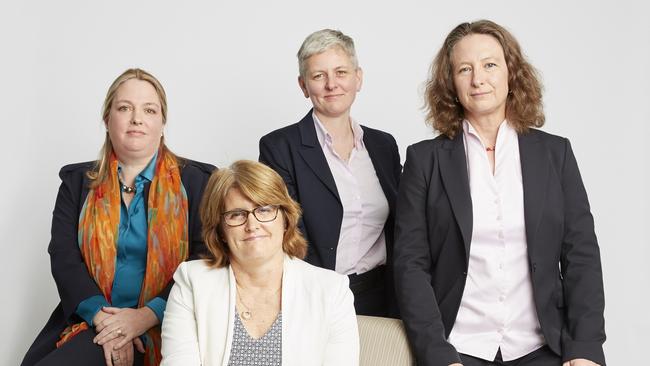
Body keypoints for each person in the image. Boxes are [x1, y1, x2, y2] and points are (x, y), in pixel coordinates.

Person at [394, 20, 606, 366]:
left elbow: (581, 254)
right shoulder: (424, 160)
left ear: (512, 73)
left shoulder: (555, 154)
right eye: (465, 69)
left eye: (489, 65)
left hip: (543, 347)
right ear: (451, 83)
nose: (478, 79)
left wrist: (585, 348)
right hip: (458, 347)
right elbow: (410, 265)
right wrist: (437, 354)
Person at [21, 68, 215, 366]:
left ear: (162, 123)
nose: (137, 118)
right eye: (125, 108)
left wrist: (143, 318)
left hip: (172, 320)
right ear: (107, 119)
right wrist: (106, 322)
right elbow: (63, 257)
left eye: (149, 110)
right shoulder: (76, 182)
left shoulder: (199, 182)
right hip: (92, 321)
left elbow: (204, 261)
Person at [259, 29, 401, 317]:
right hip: (314, 296)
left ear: (358, 78)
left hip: (382, 295)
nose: (331, 84)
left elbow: (403, 223)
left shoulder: (383, 145)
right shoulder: (279, 147)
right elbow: (284, 233)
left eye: (341, 72)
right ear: (303, 86)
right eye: (318, 75)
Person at [160, 160, 359, 365]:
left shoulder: (332, 290)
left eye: (264, 210)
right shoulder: (192, 283)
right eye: (236, 214)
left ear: (285, 219)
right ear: (220, 230)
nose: (252, 225)